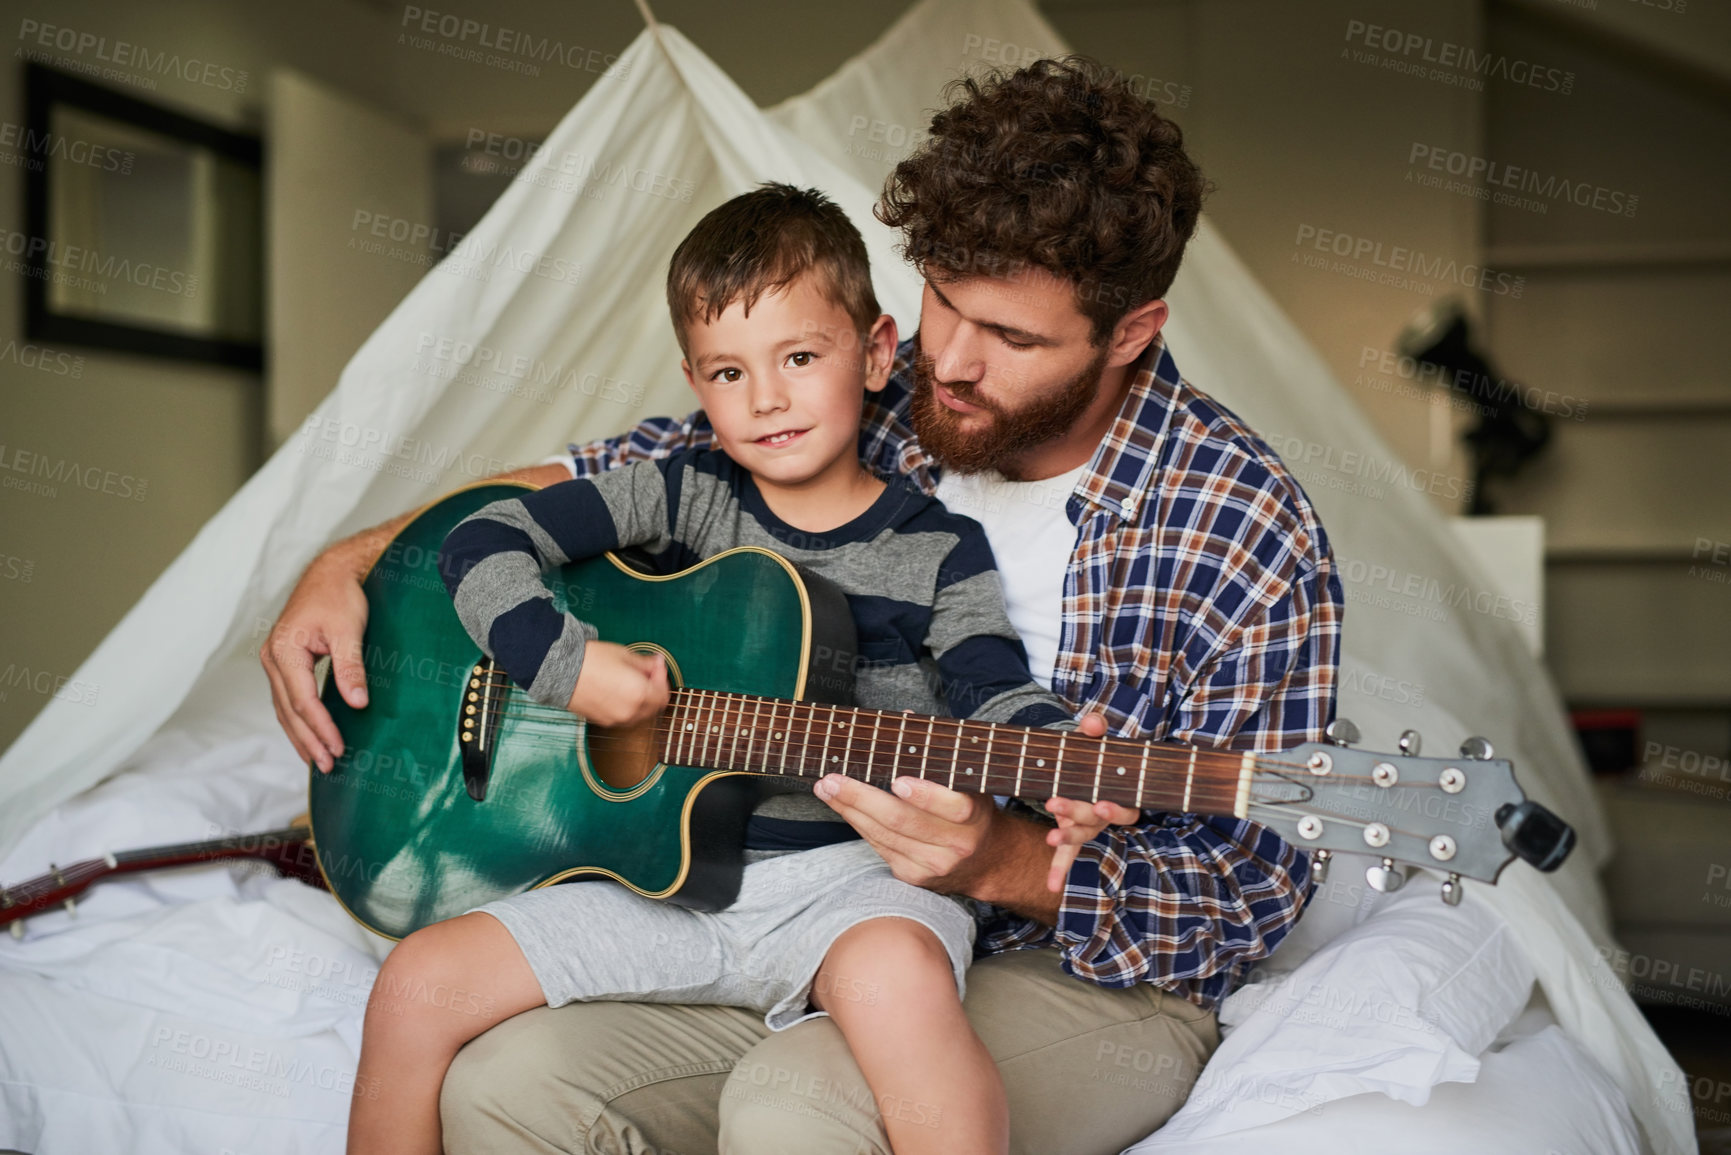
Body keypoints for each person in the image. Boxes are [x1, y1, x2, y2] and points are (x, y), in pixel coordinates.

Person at [265, 56, 1342, 1154]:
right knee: (500, 1083)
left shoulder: (1243, 528)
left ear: (1130, 331)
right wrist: (352, 563)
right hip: (734, 880)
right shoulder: (854, 388)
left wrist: (1011, 863)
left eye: (1011, 338)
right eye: (944, 305)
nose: (953, 364)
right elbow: (579, 487)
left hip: (1070, 966)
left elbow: (1247, 891)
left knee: (800, 1106)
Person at [344, 183, 1095, 1155]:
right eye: (727, 372)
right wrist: (567, 668)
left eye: (798, 357)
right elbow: (481, 539)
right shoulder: (683, 493)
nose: (766, 398)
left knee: (900, 985)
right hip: (663, 887)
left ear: (873, 355)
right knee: (416, 983)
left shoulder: (937, 548)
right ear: (695, 383)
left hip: (852, 889)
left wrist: (1059, 756)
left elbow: (993, 690)